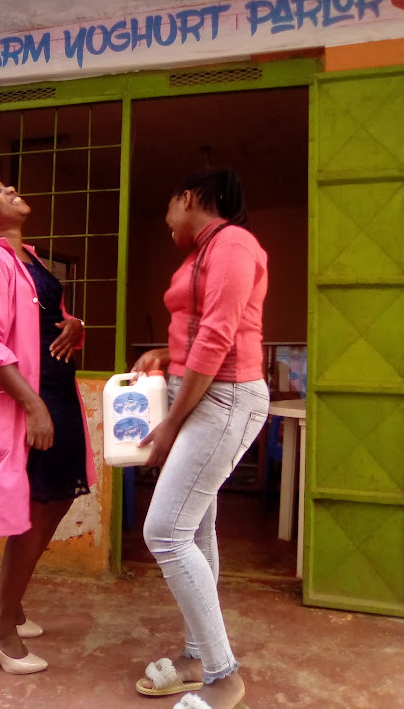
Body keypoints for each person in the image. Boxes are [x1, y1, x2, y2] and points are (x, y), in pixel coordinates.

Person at [0, 176, 96, 675]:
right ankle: (1, 630)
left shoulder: (26, 256)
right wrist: (32, 405)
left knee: (56, 497)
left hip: (55, 390)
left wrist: (74, 325)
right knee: (36, 506)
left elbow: (42, 316)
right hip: (25, 400)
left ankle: (4, 602)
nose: (10, 187)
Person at [133, 168, 269, 709]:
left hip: (224, 399)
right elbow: (202, 328)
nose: (167, 222)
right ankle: (196, 656)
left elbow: (218, 337)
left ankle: (223, 675)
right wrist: (166, 356)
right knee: (196, 526)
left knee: (164, 530)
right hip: (205, 394)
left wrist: (169, 425)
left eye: (169, 208)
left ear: (189, 199)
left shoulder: (233, 243)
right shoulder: (202, 253)